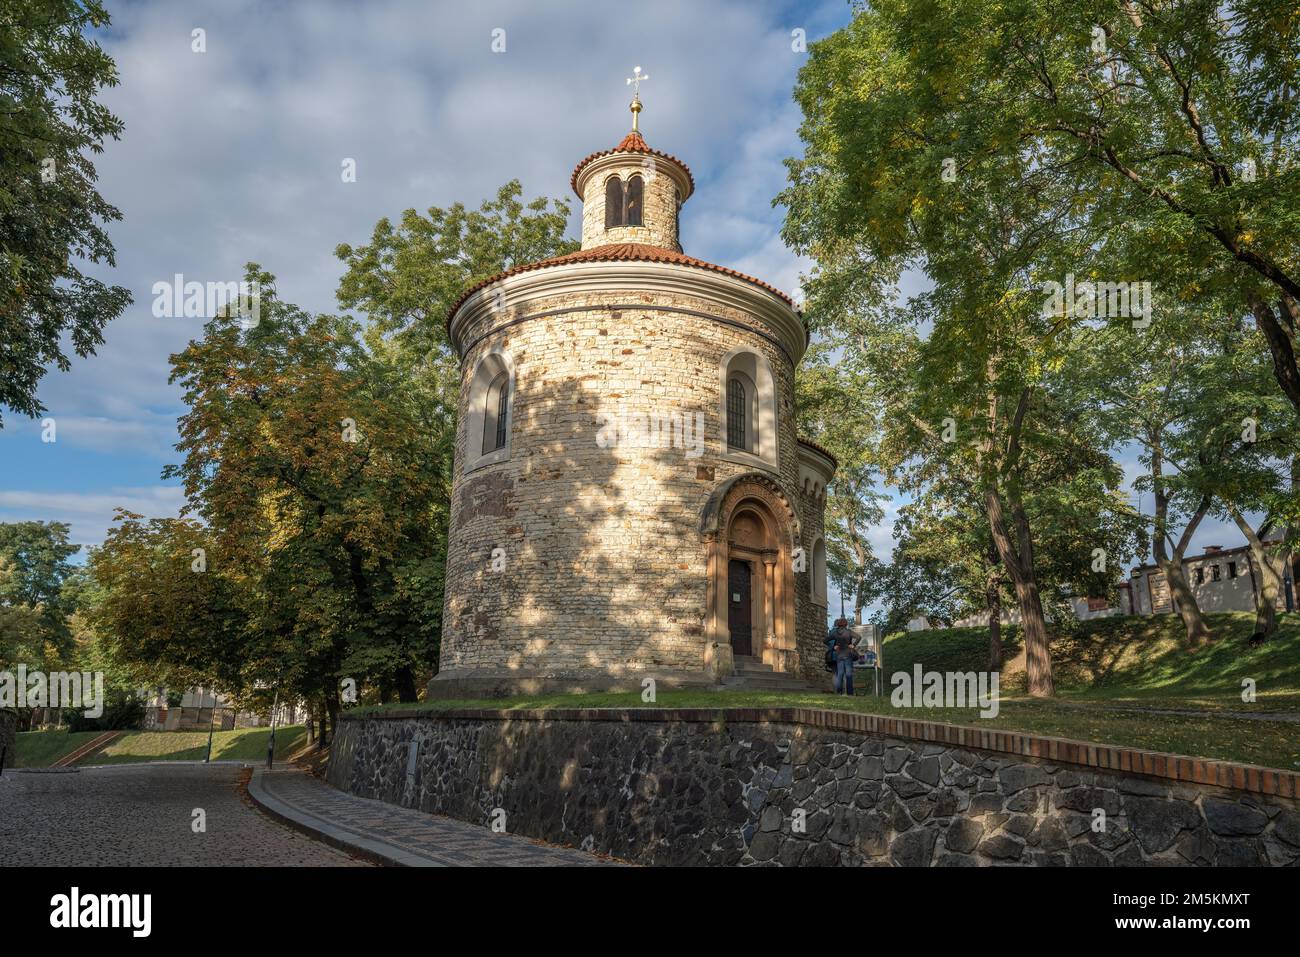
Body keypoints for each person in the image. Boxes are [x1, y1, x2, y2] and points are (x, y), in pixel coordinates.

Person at [828, 619, 858, 695]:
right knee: (848, 674)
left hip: (839, 656)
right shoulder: (849, 632)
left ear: (838, 624)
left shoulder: (835, 633)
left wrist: (833, 647)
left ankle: (839, 692)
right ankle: (850, 693)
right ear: (846, 624)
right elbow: (859, 637)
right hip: (848, 655)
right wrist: (853, 645)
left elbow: (825, 640)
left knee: (840, 674)